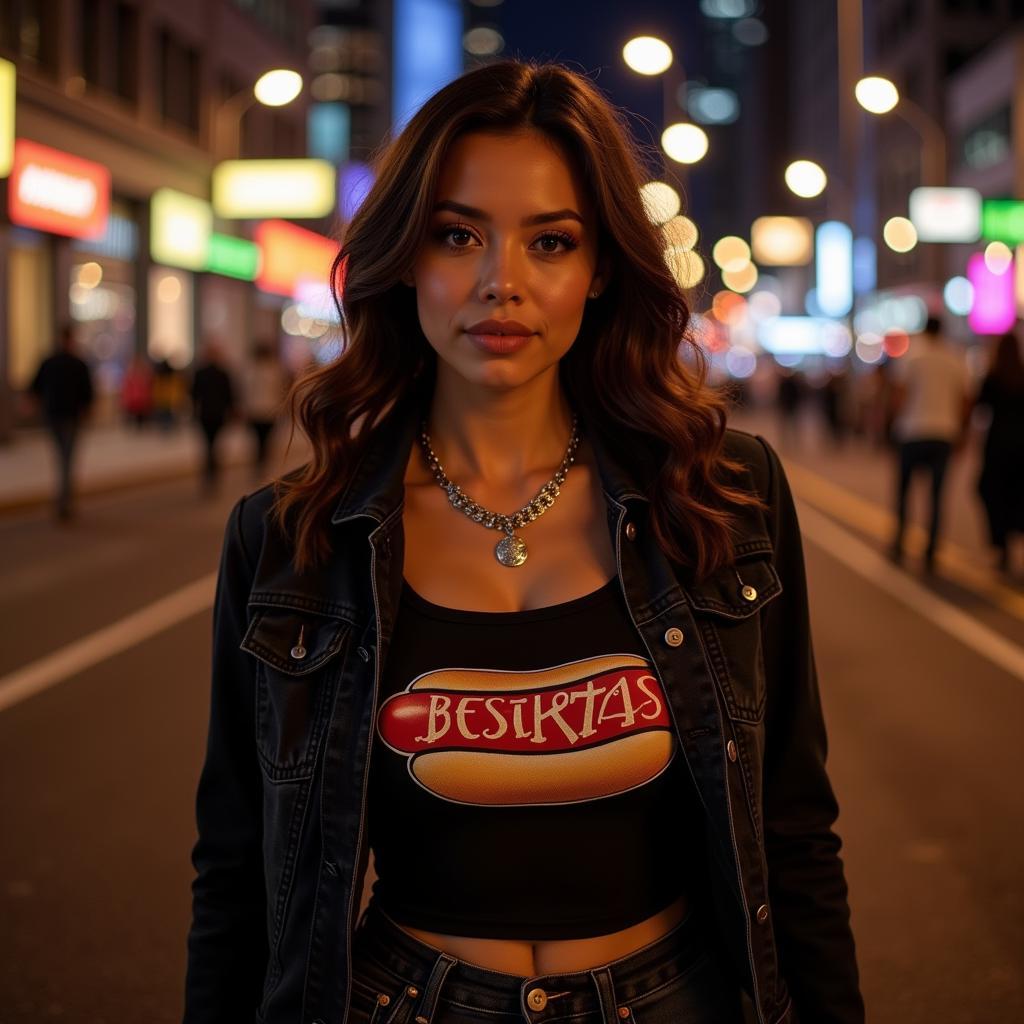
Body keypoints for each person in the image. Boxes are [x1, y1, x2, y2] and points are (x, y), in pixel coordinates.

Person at [185, 60, 863, 1024]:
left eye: (551, 241)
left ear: (597, 273)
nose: (502, 282)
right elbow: (238, 870)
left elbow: (794, 825)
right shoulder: (292, 537)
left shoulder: (721, 496)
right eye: (457, 234)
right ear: (406, 257)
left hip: (678, 999)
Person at [888, 315, 970, 571]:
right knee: (937, 495)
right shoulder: (955, 358)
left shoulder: (912, 356)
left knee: (904, 490)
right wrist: (962, 433)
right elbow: (965, 400)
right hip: (944, 433)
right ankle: (931, 550)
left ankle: (900, 541)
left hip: (912, 431)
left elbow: (899, 395)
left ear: (924, 330)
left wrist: (892, 424)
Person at [29, 325, 94, 521]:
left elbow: (34, 388)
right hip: (67, 416)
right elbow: (88, 395)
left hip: (56, 415)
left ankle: (63, 500)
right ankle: (64, 501)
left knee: (62, 458)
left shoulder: (51, 362)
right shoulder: (76, 363)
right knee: (66, 459)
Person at [973, 329, 1024, 573]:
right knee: (1018, 493)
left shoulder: (994, 376)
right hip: (1021, 445)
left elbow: (979, 406)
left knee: (992, 491)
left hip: (999, 444)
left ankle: (1001, 542)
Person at [190, 343, 235, 494]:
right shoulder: (223, 373)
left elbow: (193, 394)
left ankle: (209, 473)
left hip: (205, 414)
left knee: (208, 445)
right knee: (214, 445)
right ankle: (212, 473)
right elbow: (230, 395)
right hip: (218, 414)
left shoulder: (200, 372)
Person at [241, 342, 288, 477]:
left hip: (257, 411)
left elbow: (246, 392)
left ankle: (259, 463)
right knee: (265, 440)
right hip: (268, 411)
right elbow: (280, 391)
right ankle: (262, 463)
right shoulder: (275, 370)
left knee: (258, 439)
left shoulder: (251, 370)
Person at [120, 352, 153, 428]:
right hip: (133, 400)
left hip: (141, 400)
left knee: (140, 421)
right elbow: (126, 388)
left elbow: (147, 388)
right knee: (132, 420)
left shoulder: (145, 375)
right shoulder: (130, 375)